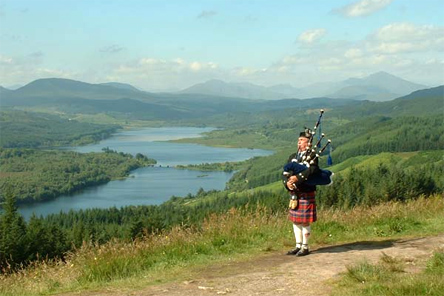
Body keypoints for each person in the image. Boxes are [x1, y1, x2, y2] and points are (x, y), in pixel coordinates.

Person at [284, 129, 330, 256]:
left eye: (302, 140)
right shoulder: (293, 157)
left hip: (306, 192)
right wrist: (287, 183)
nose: (299, 142)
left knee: (304, 221)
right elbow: (285, 172)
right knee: (295, 221)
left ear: (308, 142)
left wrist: (297, 178)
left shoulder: (313, 157)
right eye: (298, 140)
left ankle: (305, 247)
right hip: (295, 194)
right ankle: (297, 245)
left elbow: (313, 170)